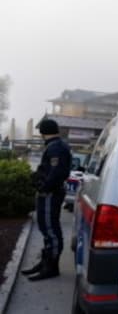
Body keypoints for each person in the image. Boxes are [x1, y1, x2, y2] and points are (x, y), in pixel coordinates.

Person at [22, 119, 72, 281]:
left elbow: (57, 173)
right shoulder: (55, 145)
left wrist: (43, 187)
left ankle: (51, 266)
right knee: (46, 229)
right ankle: (45, 262)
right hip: (49, 193)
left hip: (51, 193)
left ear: (43, 132)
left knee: (51, 229)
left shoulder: (56, 147)